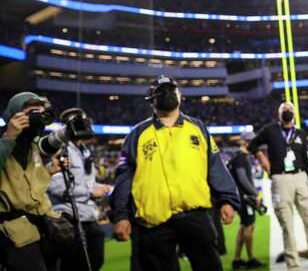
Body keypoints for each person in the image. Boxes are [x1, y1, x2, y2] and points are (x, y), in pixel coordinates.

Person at [110, 75, 240, 271]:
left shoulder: (198, 128)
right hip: (154, 223)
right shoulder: (137, 134)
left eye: (171, 90)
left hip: (196, 215)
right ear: (151, 99)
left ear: (180, 95)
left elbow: (215, 166)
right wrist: (120, 215)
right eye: (161, 91)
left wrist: (228, 200)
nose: (167, 94)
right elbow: (123, 179)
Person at [0, 92, 79, 271]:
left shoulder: (32, 144)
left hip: (44, 226)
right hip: (13, 230)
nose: (38, 117)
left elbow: (29, 180)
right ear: (14, 115)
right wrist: (9, 136)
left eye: (41, 112)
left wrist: (50, 170)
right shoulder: (5, 140)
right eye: (32, 112)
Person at [248, 102, 308, 271]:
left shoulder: (300, 133)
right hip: (280, 179)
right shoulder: (270, 130)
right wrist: (262, 158)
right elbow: (252, 145)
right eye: (283, 109)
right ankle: (293, 266)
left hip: (301, 177)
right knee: (287, 224)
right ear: (279, 113)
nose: (287, 111)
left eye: (289, 109)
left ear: (294, 113)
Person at [48, 110, 110, 271]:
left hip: (87, 215)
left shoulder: (85, 151)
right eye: (80, 121)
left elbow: (88, 182)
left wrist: (97, 189)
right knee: (74, 265)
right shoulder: (59, 149)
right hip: (68, 218)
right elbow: (57, 187)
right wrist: (90, 192)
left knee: (95, 260)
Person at [227, 131, 264, 269]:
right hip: (245, 198)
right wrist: (255, 195)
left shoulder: (239, 156)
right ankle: (250, 259)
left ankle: (237, 259)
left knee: (243, 226)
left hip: (241, 197)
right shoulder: (241, 158)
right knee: (249, 226)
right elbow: (243, 179)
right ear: (244, 142)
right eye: (251, 141)